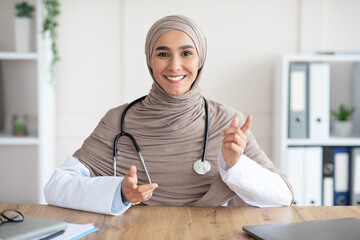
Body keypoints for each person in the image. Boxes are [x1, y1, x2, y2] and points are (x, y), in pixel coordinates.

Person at [45, 15, 293, 215]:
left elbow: (283, 195)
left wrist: (236, 164)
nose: (174, 66)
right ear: (150, 61)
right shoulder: (118, 121)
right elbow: (55, 187)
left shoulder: (227, 122)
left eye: (186, 53)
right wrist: (118, 192)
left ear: (200, 59)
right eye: (163, 54)